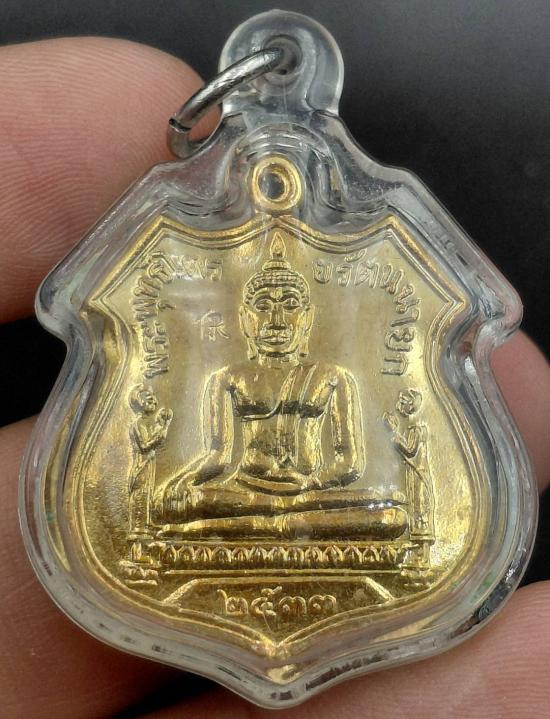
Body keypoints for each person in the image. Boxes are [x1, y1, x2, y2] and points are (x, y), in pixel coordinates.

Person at [1, 36, 549, 719]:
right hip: (242, 499)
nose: (278, 318)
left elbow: (347, 468)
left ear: (307, 315)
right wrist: (187, 485)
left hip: (327, 504)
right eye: (266, 307)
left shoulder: (330, 379)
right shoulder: (229, 380)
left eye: (291, 305)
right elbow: (217, 461)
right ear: (250, 316)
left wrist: (306, 488)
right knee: (181, 506)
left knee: (381, 510)